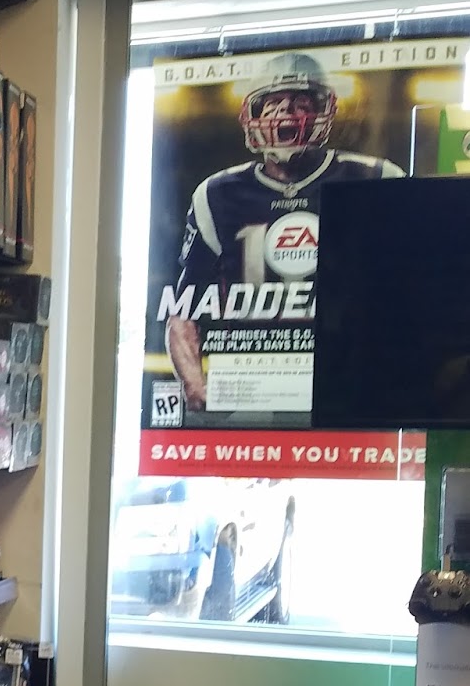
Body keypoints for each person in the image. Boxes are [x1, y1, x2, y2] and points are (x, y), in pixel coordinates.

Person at [164, 51, 404, 414]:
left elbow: (416, 295)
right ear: (253, 114)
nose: (286, 113)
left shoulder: (375, 177)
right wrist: (194, 383)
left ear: (325, 109)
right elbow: (183, 308)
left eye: (301, 102)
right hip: (252, 383)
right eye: (272, 103)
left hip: (350, 381)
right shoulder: (216, 193)